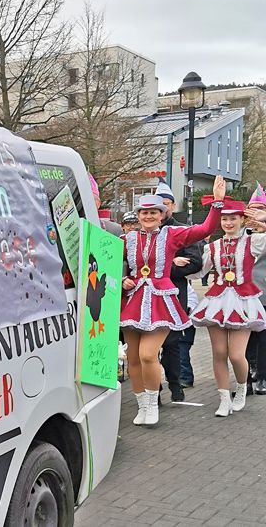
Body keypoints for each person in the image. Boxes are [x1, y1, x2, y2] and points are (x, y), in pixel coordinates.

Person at [121, 175, 225, 426]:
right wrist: (123, 277)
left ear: (161, 214)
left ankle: (154, 401)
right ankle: (143, 406)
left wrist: (217, 203)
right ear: (138, 215)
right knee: (133, 357)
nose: (148, 217)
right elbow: (105, 260)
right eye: (143, 213)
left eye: (153, 212)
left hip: (161, 301)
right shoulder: (127, 240)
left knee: (148, 355)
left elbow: (205, 230)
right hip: (134, 300)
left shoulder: (171, 236)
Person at [191, 199, 266, 416]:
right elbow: (198, 273)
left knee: (236, 355)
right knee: (219, 352)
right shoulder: (211, 247)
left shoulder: (254, 242)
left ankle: (242, 388)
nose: (228, 222)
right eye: (224, 218)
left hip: (244, 301)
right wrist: (177, 263)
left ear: (242, 220)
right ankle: (224, 399)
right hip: (217, 301)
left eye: (233, 218)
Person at [152, 182, 202, 403]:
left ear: (172, 206)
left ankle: (175, 384)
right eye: (156, 206)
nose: (161, 210)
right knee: (150, 347)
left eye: (165, 205)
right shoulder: (144, 232)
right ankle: (155, 391)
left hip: (174, 296)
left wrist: (163, 268)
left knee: (171, 344)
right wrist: (171, 263)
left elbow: (195, 263)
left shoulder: (183, 231)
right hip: (149, 298)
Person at [245, 184, 266, 394]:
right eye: (252, 208)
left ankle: (262, 376)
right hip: (244, 295)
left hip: (265, 294)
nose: (256, 213)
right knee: (244, 339)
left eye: (260, 208)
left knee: (263, 338)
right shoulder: (242, 234)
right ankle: (247, 378)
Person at [178, 283, 198, 388]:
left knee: (182, 352)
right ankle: (175, 375)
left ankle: (186, 377)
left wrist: (186, 309)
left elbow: (192, 301)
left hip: (185, 325)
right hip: (173, 324)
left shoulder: (185, 286)